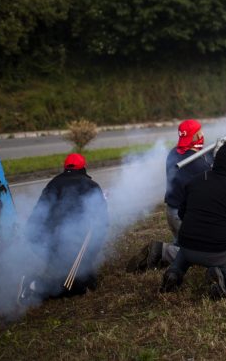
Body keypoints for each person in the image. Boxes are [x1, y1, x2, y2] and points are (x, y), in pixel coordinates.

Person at [161, 142, 226, 299]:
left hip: (188, 245)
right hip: (219, 251)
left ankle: (174, 273)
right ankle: (224, 276)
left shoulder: (194, 181)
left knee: (184, 252)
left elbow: (182, 212)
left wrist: (195, 228)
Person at [18, 153, 109, 303]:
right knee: (80, 287)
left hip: (47, 244)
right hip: (73, 246)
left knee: (88, 279)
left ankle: (57, 272)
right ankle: (34, 285)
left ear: (65, 167)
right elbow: (101, 223)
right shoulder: (91, 186)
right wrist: (91, 252)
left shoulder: (52, 184)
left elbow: (37, 217)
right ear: (83, 167)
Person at [126, 119, 213, 271]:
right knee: (200, 252)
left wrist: (211, 152)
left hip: (172, 210)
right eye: (200, 132)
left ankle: (162, 259)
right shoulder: (196, 164)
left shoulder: (174, 153)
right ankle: (160, 252)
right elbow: (211, 175)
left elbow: (197, 160)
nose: (203, 134)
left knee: (182, 242)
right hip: (184, 215)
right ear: (194, 137)